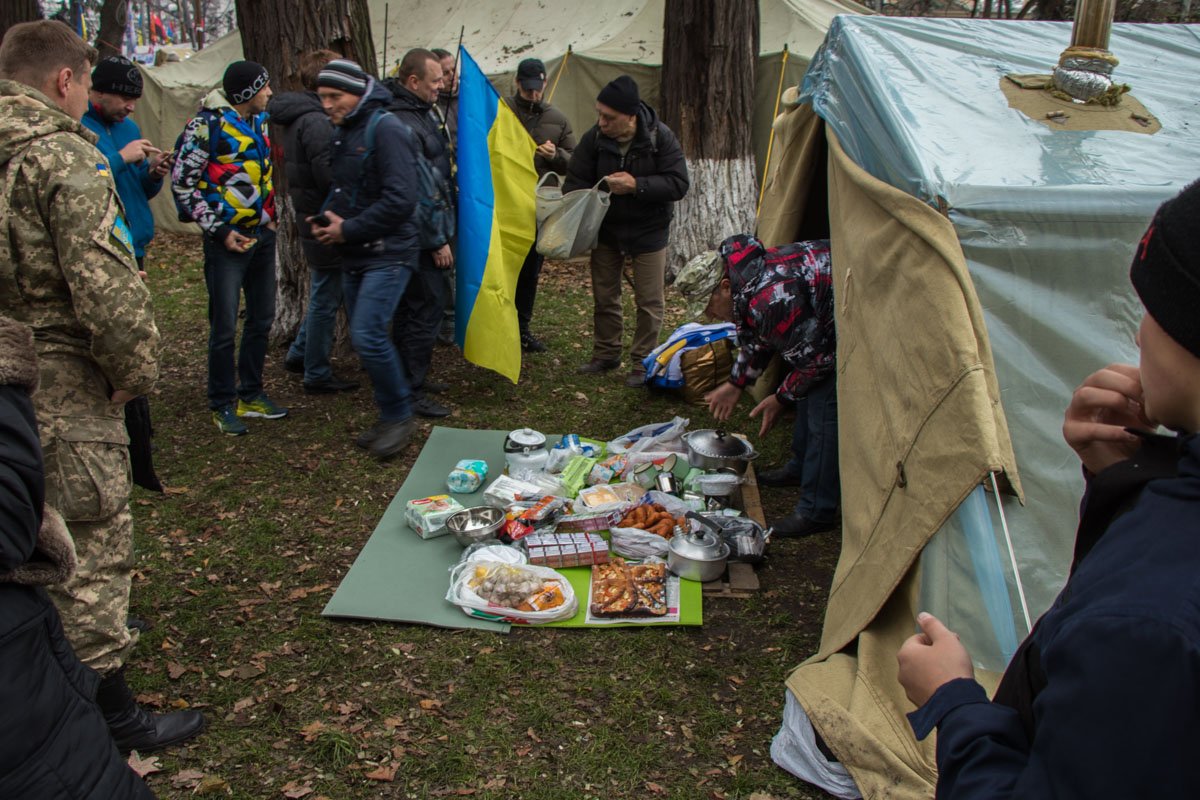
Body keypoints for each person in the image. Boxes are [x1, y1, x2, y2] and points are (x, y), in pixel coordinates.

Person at [896, 180, 1200, 798]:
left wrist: (954, 701)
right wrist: (1122, 475)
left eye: (1154, 310)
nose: (1139, 335)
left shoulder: (1143, 626)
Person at [0, 20, 205, 753]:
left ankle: (44, 673)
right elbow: (106, 291)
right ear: (65, 80)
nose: (86, 95)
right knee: (88, 543)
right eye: (85, 82)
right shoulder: (62, 155)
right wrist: (133, 375)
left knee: (19, 530)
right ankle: (105, 715)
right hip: (59, 380)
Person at [0, 316, 156, 799]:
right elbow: (116, 311)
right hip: (73, 399)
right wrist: (135, 375)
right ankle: (116, 708)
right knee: (96, 550)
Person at [675, 236, 840, 537]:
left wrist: (781, 398)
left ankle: (817, 510)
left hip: (846, 313)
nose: (709, 315)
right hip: (817, 332)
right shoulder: (746, 284)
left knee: (822, 408)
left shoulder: (769, 298)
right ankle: (800, 467)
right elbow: (758, 337)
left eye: (708, 304)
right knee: (807, 394)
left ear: (725, 286)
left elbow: (818, 362)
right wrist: (736, 382)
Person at [310, 59, 421, 460]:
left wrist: (349, 229)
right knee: (366, 339)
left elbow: (401, 199)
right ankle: (390, 414)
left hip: (389, 252)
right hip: (357, 251)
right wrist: (327, 217)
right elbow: (348, 188)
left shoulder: (386, 128)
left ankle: (400, 416)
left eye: (334, 96)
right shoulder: (347, 128)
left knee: (368, 334)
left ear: (357, 92)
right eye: (322, 97)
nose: (327, 105)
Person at [173, 59, 287, 435]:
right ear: (247, 92)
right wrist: (219, 231)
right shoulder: (205, 126)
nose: (269, 92)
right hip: (226, 242)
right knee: (223, 327)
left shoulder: (258, 121)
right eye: (264, 86)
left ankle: (250, 394)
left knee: (261, 319)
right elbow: (183, 183)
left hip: (261, 235)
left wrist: (270, 217)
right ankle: (221, 402)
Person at [81, 55, 171, 492]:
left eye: (135, 99)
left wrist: (153, 173)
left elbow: (136, 188)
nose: (131, 107)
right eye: (124, 98)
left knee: (137, 337)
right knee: (117, 339)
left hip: (136, 246)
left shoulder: (129, 128)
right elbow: (88, 182)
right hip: (104, 253)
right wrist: (119, 157)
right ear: (98, 91)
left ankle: (139, 434)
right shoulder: (81, 128)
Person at [564, 74, 689, 387]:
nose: (602, 122)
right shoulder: (595, 139)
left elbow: (678, 183)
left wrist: (637, 185)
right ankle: (606, 353)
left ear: (631, 117)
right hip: (607, 230)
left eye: (609, 117)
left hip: (650, 231)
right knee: (605, 295)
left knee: (649, 301)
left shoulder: (660, 137)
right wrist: (589, 199)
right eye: (599, 115)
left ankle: (643, 362)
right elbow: (575, 181)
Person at [272, 49, 359, 396]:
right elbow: (329, 173)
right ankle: (316, 371)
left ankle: (299, 353)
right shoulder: (316, 121)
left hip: (312, 214)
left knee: (325, 290)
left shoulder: (301, 116)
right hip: (324, 218)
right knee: (326, 296)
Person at [385, 48, 455, 419]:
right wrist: (436, 240)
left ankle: (411, 379)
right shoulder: (404, 123)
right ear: (413, 81)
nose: (441, 85)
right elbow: (417, 192)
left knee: (414, 310)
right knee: (424, 310)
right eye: (435, 80)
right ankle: (409, 390)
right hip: (418, 239)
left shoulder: (418, 111)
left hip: (416, 235)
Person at [506, 57, 575, 353]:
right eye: (528, 89)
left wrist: (555, 155)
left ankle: (521, 330)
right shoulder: (502, 110)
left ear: (545, 83)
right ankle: (499, 327)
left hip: (537, 208)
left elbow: (574, 161)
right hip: (504, 204)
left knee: (530, 271)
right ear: (517, 83)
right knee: (503, 268)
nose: (533, 94)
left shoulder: (557, 118)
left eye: (538, 88)